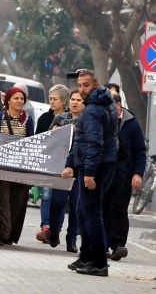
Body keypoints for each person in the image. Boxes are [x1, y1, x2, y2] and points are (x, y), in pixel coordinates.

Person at [62, 70, 117, 276]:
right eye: (80, 84)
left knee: (91, 215)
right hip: (98, 164)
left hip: (95, 167)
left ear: (96, 84)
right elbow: (82, 140)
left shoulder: (94, 110)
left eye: (86, 85)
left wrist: (89, 173)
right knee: (82, 211)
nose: (82, 89)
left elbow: (94, 143)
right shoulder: (103, 103)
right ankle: (87, 257)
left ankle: (99, 263)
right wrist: (71, 164)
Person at [0, 87, 35, 246]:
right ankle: (2, 234)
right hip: (0, 165)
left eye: (22, 99)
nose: (20, 101)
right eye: (16, 98)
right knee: (0, 200)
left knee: (17, 200)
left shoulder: (28, 120)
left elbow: (30, 141)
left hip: (20, 166)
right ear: (7, 100)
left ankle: (11, 234)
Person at [104, 92, 147, 261]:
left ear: (119, 105)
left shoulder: (131, 123)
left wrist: (138, 173)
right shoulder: (102, 121)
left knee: (119, 209)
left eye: (112, 107)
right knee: (104, 209)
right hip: (104, 173)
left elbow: (140, 151)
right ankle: (103, 244)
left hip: (124, 175)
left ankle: (118, 245)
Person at [47, 89, 84, 252]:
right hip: (61, 166)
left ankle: (72, 239)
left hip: (79, 167)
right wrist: (55, 133)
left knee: (76, 205)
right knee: (57, 202)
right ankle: (54, 232)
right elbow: (48, 140)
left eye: (79, 100)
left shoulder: (88, 121)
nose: (75, 102)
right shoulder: (60, 118)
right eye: (73, 99)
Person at [34, 84, 70, 243]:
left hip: (64, 163)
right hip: (47, 162)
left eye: (55, 99)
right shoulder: (44, 118)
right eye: (50, 99)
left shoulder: (71, 118)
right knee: (46, 195)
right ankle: (46, 227)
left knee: (60, 198)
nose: (52, 102)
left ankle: (56, 229)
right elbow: (37, 140)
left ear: (64, 101)